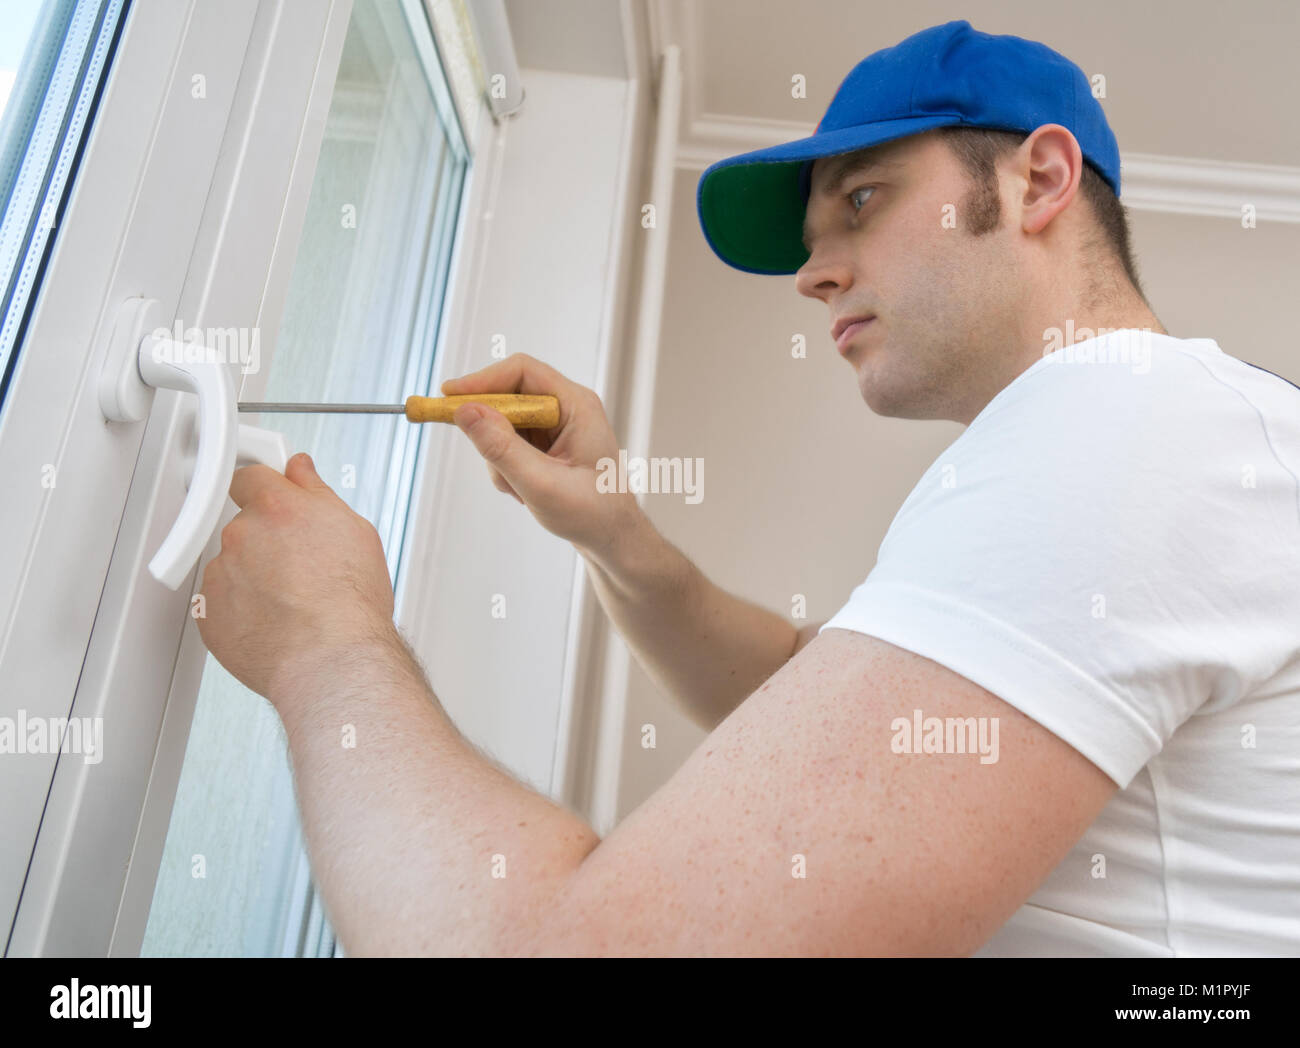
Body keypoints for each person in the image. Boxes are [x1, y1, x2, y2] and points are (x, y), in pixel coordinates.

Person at [196, 20, 1300, 956]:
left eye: (861, 202)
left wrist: (326, 645)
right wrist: (614, 534)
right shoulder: (1169, 428)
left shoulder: (1116, 425)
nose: (815, 273)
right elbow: (800, 689)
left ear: (1038, 181)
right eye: (814, 242)